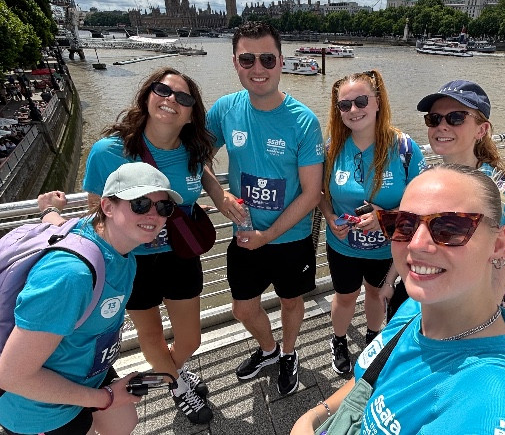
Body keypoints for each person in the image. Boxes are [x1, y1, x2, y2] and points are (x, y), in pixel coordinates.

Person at [291, 165, 505, 434]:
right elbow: (372, 376)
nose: (416, 244)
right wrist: (314, 417)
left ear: (498, 245)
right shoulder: (418, 307)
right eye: (403, 224)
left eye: (449, 227)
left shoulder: (498, 402)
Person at [78, 67, 223, 425]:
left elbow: (194, 181)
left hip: (179, 256)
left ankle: (172, 368)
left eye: (183, 97)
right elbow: (97, 211)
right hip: (131, 262)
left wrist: (212, 200)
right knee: (151, 335)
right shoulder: (109, 152)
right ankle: (178, 387)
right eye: (162, 90)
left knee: (190, 339)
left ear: (190, 115)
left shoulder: (194, 151)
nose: (171, 99)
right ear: (147, 96)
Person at [0, 162, 180, 435]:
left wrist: (49, 210)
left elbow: (58, 227)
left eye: (164, 207)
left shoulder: (109, 241)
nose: (153, 215)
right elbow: (11, 375)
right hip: (41, 408)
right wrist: (106, 398)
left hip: (87, 370)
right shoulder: (70, 276)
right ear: (107, 207)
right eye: (140, 204)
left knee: (123, 423)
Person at [206, 21, 324, 396]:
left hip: (290, 237)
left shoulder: (304, 121)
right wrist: (219, 196)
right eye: (248, 59)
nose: (258, 68)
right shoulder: (225, 109)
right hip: (244, 236)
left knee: (291, 301)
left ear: (281, 61)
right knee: (242, 308)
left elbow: (312, 193)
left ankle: (288, 352)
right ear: (235, 63)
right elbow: (197, 158)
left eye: (267, 59)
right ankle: (269, 349)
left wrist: (268, 235)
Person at [380, 79, 505, 319]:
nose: (442, 126)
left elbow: (496, 289)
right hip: (422, 282)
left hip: (459, 309)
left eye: (456, 118)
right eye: (434, 119)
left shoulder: (503, 197)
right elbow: (411, 238)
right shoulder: (431, 178)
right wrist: (389, 281)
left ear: (481, 130)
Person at [320, 69, 425, 375]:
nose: (353, 110)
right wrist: (330, 217)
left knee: (377, 294)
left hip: (386, 248)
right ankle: (339, 340)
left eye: (361, 101)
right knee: (345, 296)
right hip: (343, 245)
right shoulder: (332, 148)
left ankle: (372, 337)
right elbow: (320, 194)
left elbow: (422, 204)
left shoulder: (404, 148)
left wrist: (385, 218)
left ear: (378, 102)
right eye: (345, 105)